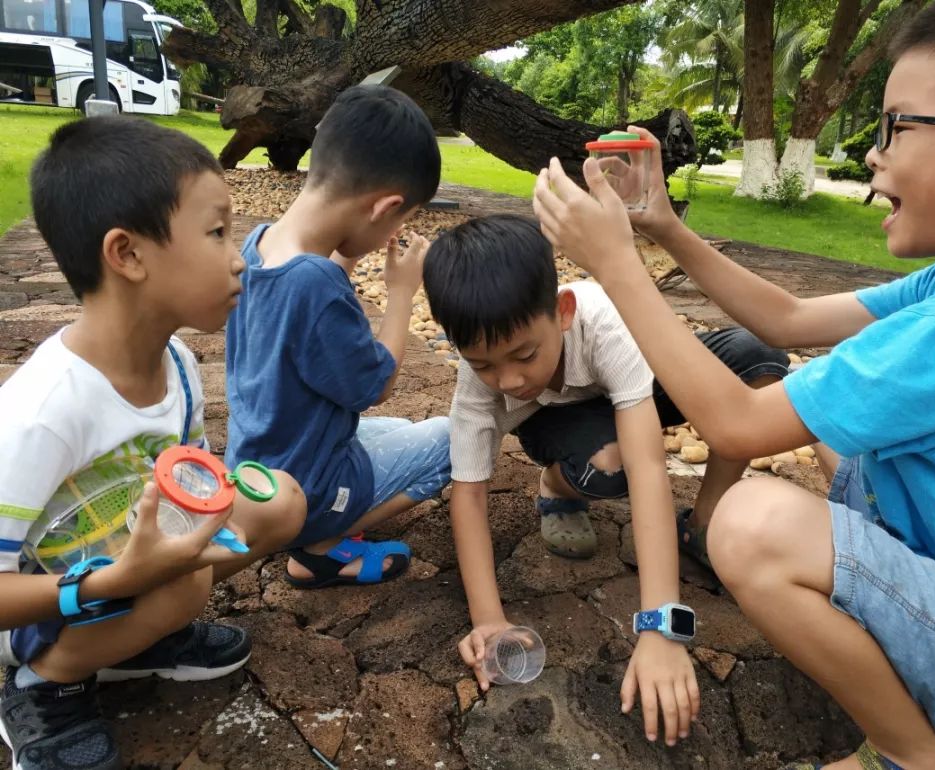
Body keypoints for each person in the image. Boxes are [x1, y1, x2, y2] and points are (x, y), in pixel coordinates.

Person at [532, 0, 935, 767]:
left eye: (899, 127)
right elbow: (787, 319)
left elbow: (739, 427)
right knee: (833, 422)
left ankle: (909, 754)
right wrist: (664, 227)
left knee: (750, 526)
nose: (873, 156)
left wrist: (616, 264)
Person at [0, 115, 307, 769]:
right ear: (129, 254)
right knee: (184, 587)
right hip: (44, 599)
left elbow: (186, 481)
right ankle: (45, 684)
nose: (239, 255)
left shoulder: (179, 367)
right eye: (217, 231)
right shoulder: (44, 411)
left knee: (279, 502)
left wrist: (211, 514)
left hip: (124, 559)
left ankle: (138, 635)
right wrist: (114, 583)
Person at [422, 213, 789, 746]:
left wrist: (661, 624)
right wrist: (488, 620)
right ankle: (557, 484)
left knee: (756, 361)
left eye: (525, 353)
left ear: (562, 311)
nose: (509, 379)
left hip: (634, 380)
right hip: (563, 420)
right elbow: (470, 494)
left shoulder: (602, 320)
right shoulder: (481, 388)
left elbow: (651, 465)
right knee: (608, 466)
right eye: (482, 363)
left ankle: (702, 523)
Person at [225, 84, 452, 589]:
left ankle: (317, 528)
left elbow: (308, 313)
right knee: (453, 439)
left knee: (398, 430)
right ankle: (322, 545)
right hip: (310, 487)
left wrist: (349, 256)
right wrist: (400, 293)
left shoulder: (259, 242)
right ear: (385, 207)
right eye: (405, 216)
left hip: (261, 462)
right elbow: (377, 385)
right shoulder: (315, 284)